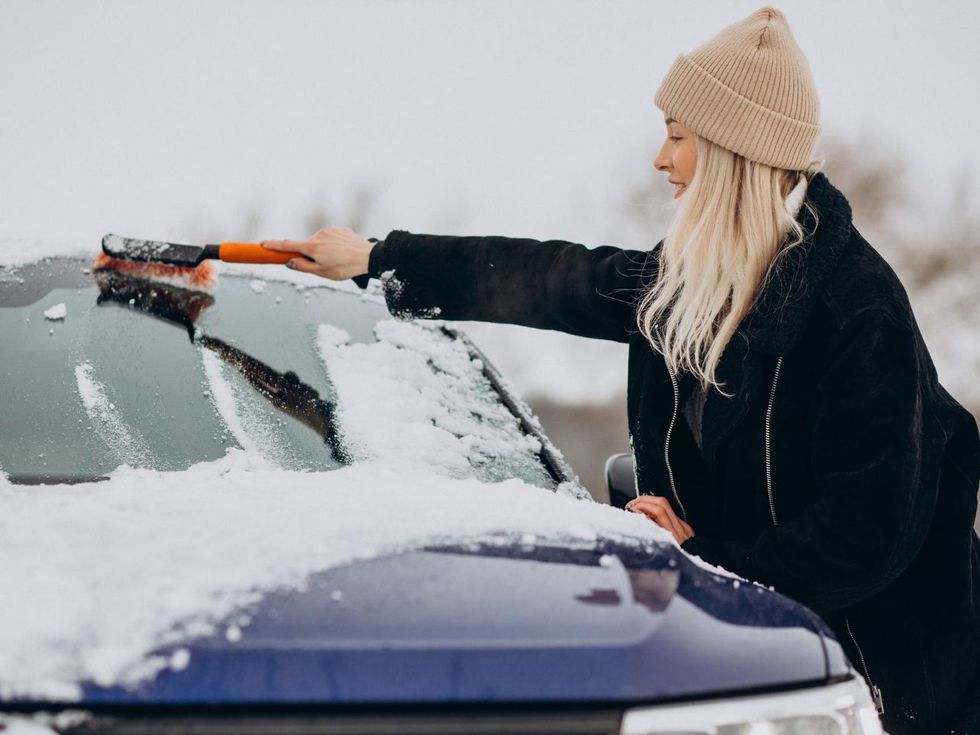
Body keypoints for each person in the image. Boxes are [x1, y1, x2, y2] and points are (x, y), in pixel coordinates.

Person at [261, 6, 980, 733]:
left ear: (732, 153)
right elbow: (552, 277)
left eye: (677, 137)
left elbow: (865, 534)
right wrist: (380, 258)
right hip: (752, 671)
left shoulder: (857, 313)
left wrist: (700, 557)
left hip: (893, 689)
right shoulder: (697, 285)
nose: (660, 161)